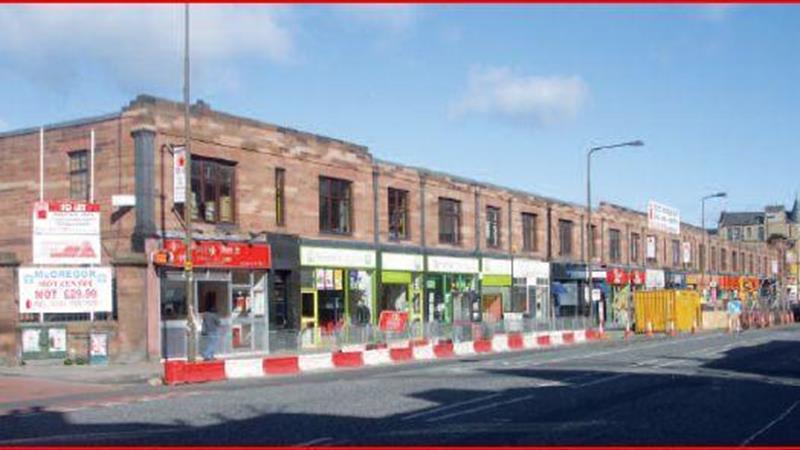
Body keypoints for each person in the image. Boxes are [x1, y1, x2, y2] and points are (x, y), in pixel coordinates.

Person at [201, 294, 222, 360]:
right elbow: (218, 323)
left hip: (207, 331)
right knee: (213, 344)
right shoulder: (214, 315)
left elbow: (204, 323)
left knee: (209, 343)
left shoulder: (205, 315)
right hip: (214, 331)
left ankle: (211, 356)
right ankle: (206, 355)